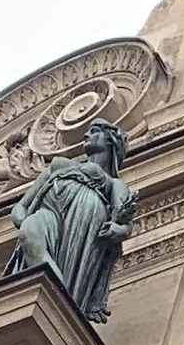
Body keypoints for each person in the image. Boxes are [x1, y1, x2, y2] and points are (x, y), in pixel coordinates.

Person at [7, 121, 135, 323]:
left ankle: (59, 306)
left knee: (61, 275)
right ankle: (54, 302)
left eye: (94, 132)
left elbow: (125, 223)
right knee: (28, 234)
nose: (86, 135)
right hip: (48, 215)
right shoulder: (58, 166)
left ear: (110, 140)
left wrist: (117, 229)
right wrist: (24, 219)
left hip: (81, 231)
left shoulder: (114, 184)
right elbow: (20, 207)